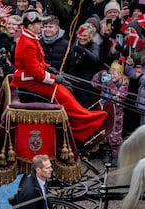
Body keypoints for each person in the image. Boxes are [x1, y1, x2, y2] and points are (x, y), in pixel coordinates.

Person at [9, 9, 111, 145]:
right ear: (31, 26)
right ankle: (86, 122)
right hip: (29, 82)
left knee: (64, 92)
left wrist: (48, 67)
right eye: (40, 24)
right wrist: (52, 78)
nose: (42, 26)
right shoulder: (28, 42)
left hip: (32, 78)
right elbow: (35, 72)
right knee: (62, 94)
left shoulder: (31, 38)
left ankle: (85, 118)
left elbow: (39, 62)